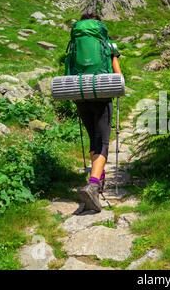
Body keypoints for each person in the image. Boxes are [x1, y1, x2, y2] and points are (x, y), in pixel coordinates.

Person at [72, 12, 122, 212]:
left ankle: (97, 180)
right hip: (101, 95)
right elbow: (117, 72)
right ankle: (93, 184)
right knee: (102, 141)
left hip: (80, 94)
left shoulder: (75, 42)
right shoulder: (108, 44)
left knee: (93, 138)